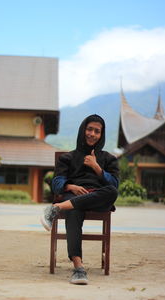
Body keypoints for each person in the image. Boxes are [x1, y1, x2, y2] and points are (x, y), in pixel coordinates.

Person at [41, 114, 119, 285]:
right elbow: (56, 182)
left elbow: (114, 184)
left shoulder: (109, 159)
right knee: (74, 209)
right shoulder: (67, 158)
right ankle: (78, 268)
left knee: (111, 191)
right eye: (89, 129)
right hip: (74, 196)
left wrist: (97, 167)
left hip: (98, 197)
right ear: (83, 130)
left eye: (97, 131)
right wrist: (70, 187)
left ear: (101, 135)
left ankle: (56, 208)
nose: (92, 134)